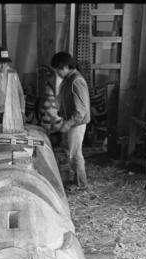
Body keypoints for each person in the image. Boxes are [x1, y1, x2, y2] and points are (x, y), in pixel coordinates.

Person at [50, 52, 90, 191]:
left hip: (77, 123)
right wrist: (61, 118)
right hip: (71, 121)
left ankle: (81, 184)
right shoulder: (68, 79)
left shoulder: (76, 81)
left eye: (58, 70)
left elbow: (81, 111)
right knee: (70, 152)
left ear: (66, 67)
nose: (58, 74)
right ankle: (75, 180)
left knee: (75, 154)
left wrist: (68, 123)